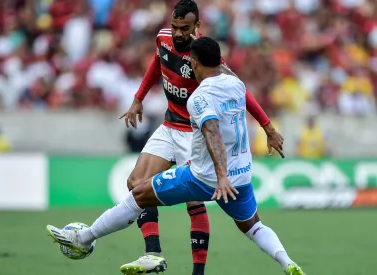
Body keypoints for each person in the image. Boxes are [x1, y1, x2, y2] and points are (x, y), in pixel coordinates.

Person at [46, 37, 305, 275]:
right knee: (253, 226)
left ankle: (85, 239)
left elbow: (211, 130)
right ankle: (288, 263)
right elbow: (225, 78)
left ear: (193, 62)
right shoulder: (236, 84)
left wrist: (220, 176)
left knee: (138, 194)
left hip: (203, 177)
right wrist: (268, 129)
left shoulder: (199, 98)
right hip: (241, 178)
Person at [117, 0, 284, 274]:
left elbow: (240, 91)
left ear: (197, 26)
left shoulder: (206, 58)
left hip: (192, 133)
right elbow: (156, 65)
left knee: (193, 200)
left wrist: (267, 126)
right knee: (135, 182)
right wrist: (138, 99)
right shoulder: (163, 40)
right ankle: (153, 254)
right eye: (175, 27)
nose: (178, 33)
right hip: (169, 124)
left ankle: (198, 272)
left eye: (185, 28)